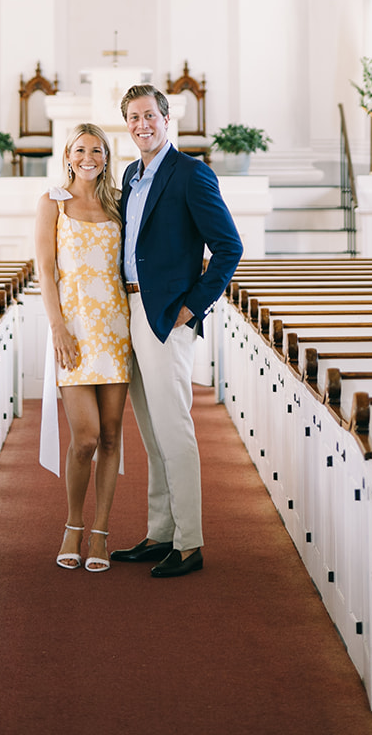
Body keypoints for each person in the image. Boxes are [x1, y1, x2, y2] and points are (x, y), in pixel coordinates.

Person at [111, 83, 243, 577]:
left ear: (167, 120)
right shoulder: (131, 174)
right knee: (151, 431)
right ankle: (160, 531)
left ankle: (190, 542)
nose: (141, 125)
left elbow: (229, 248)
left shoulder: (191, 174)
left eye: (149, 115)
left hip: (166, 315)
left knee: (174, 428)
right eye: (133, 118)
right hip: (129, 311)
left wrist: (192, 307)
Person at [35, 122, 131, 572]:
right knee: (85, 438)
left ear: (107, 157)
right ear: (68, 156)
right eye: (80, 149)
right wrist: (57, 326)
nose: (88, 156)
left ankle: (101, 533)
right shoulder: (52, 203)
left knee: (112, 436)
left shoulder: (119, 204)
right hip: (73, 330)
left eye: (97, 149)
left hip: (116, 329)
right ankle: (72, 524)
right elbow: (46, 269)